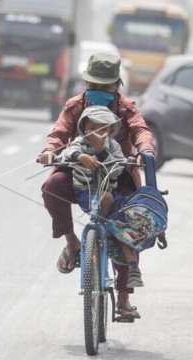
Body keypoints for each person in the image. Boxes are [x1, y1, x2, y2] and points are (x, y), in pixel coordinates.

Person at [37, 53, 155, 319]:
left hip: (117, 173)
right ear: (86, 83)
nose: (100, 91)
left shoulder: (126, 109)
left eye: (106, 86)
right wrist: (49, 151)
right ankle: (71, 243)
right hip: (78, 171)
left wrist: (144, 151)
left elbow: (141, 131)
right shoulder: (75, 106)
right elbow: (59, 134)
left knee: (128, 226)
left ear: (117, 86)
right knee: (51, 185)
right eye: (95, 85)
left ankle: (123, 300)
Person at [58, 105, 144, 288]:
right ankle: (98, 235)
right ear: (84, 128)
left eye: (104, 129)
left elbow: (118, 170)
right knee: (105, 199)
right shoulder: (80, 142)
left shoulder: (113, 146)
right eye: (93, 128)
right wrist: (81, 157)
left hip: (110, 193)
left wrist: (101, 151)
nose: (99, 133)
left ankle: (133, 267)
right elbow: (68, 152)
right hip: (86, 193)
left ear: (111, 131)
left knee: (125, 221)